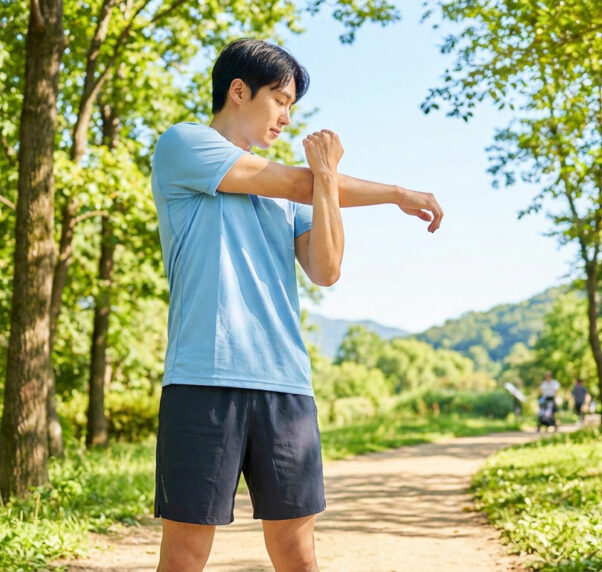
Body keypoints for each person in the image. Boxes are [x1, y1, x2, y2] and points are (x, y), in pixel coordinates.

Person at [150, 39, 443, 572]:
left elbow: (326, 270)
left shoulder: (298, 192)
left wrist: (327, 179)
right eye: (279, 100)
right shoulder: (185, 145)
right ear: (239, 91)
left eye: (292, 106)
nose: (287, 117)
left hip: (285, 384)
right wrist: (396, 193)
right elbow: (292, 181)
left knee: (298, 556)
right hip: (203, 380)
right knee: (185, 557)